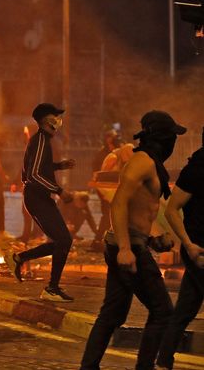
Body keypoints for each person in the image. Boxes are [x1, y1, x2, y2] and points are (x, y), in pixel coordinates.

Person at [80, 110, 186, 370]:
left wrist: (154, 238)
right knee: (163, 312)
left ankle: (88, 366)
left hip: (133, 243)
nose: (174, 142)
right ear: (163, 138)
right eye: (172, 136)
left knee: (111, 313)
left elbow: (140, 210)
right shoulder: (142, 162)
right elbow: (119, 204)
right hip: (127, 247)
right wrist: (126, 249)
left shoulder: (149, 162)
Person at [5, 103, 76, 302]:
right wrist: (60, 191)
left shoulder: (43, 140)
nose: (59, 120)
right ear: (47, 120)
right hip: (36, 197)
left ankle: (18, 259)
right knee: (64, 240)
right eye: (56, 116)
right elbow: (34, 175)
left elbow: (40, 167)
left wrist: (59, 166)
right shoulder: (40, 141)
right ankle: (51, 289)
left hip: (40, 197)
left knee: (62, 241)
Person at [156, 128, 204, 370]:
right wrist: (188, 244)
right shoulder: (197, 168)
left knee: (185, 309)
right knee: (184, 309)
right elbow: (172, 209)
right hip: (199, 249)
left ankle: (163, 362)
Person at [92, 129, 123, 245]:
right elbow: (100, 173)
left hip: (113, 189)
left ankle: (105, 239)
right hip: (106, 189)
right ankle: (98, 239)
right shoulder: (108, 155)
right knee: (107, 214)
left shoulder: (115, 153)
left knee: (111, 214)